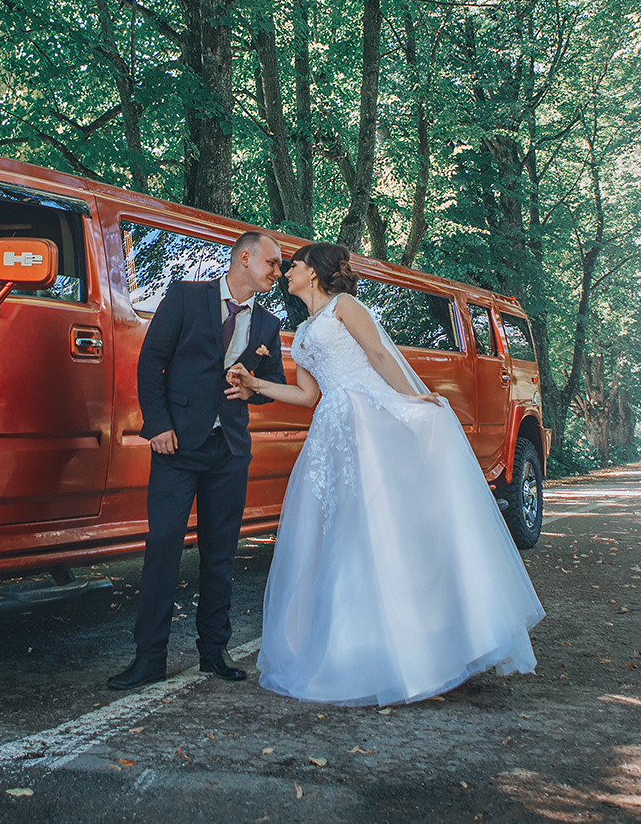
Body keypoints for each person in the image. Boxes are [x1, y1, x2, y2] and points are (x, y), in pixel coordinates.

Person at [227, 242, 544, 705]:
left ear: (313, 273)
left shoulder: (345, 307)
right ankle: (355, 646)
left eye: (292, 265)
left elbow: (378, 355)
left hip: (365, 417)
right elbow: (305, 394)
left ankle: (416, 651)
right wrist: (256, 384)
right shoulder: (306, 325)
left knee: (378, 526)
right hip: (331, 431)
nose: (285, 272)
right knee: (340, 535)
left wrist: (410, 399)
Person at [108, 231, 288, 689]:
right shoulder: (187, 297)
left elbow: (269, 383)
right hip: (177, 446)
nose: (277, 272)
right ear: (244, 259)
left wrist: (253, 387)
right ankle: (149, 658)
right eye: (272, 263)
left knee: (220, 554)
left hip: (229, 451)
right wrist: (159, 425)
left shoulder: (267, 324)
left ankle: (214, 651)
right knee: (163, 548)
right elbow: (152, 362)